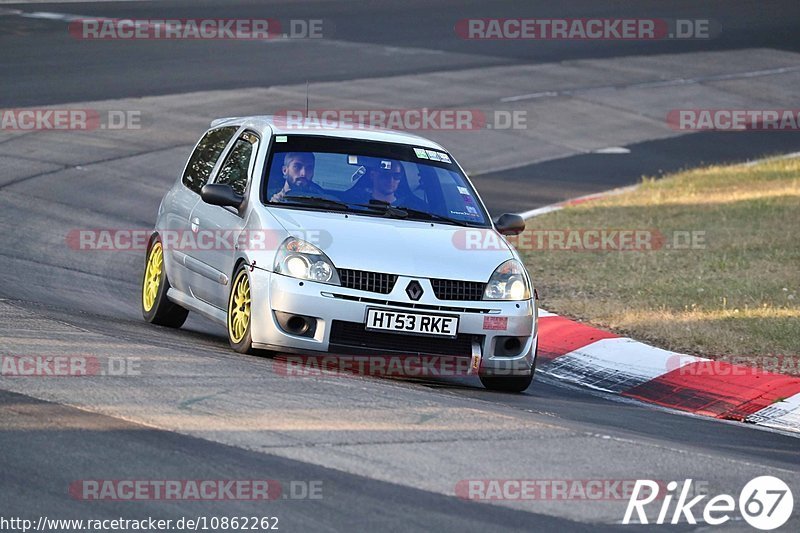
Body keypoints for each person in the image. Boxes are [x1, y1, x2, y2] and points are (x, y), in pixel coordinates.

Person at [344, 160, 426, 209]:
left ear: (400, 179)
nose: (391, 180)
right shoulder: (351, 202)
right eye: (385, 175)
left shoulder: (413, 207)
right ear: (373, 175)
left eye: (396, 176)